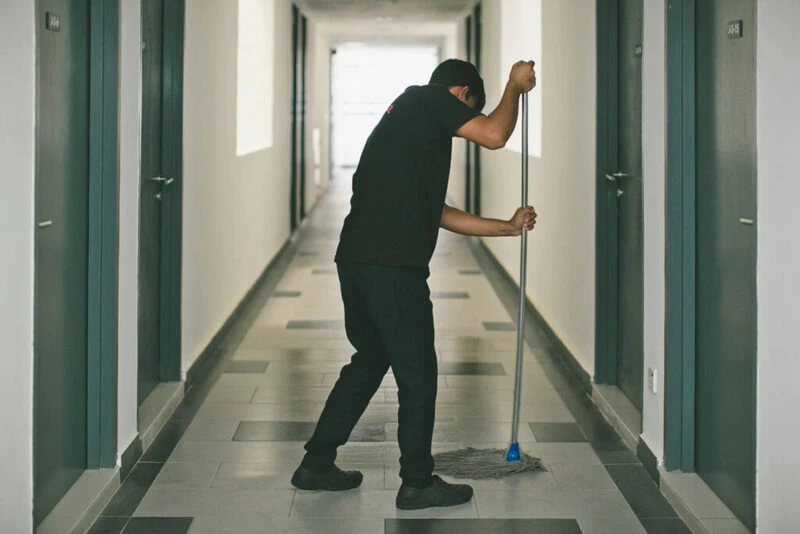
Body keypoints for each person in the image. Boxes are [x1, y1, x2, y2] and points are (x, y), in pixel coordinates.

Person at [291, 58, 538, 510]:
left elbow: (438, 212)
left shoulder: (404, 123)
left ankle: (316, 463)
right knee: (418, 374)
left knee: (370, 360)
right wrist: (514, 89)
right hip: (392, 267)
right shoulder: (430, 99)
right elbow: (494, 135)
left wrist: (506, 227)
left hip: (357, 260)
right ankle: (418, 482)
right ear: (461, 95)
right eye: (467, 112)